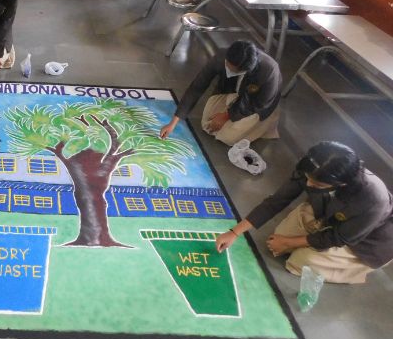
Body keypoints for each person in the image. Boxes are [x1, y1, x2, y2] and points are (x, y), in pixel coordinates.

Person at [216, 142, 393, 284]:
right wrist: (234, 232)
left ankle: (353, 268)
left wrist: (288, 242)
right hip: (328, 213)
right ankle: (306, 240)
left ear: (341, 184)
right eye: (307, 179)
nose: (308, 185)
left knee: (300, 261)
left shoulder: (373, 198)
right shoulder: (313, 166)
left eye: (316, 185)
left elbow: (338, 238)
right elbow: (277, 200)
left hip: (366, 241)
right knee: (277, 241)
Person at [159, 40, 281, 146]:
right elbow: (197, 87)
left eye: (233, 69)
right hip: (233, 94)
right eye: (227, 64)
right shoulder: (221, 56)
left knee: (227, 137)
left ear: (245, 70)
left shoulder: (269, 71)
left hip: (255, 105)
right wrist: (173, 123)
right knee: (207, 124)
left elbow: (258, 104)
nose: (228, 69)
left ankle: (264, 124)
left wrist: (227, 115)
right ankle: (234, 119)